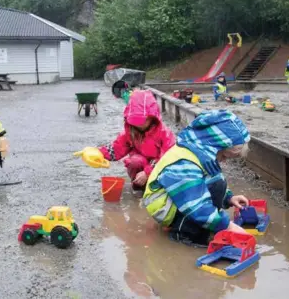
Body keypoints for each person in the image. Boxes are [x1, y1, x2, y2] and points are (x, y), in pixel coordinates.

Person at [143, 110, 251, 246]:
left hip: (181, 196)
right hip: (163, 206)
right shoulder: (185, 162)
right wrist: (227, 226)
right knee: (199, 203)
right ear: (213, 147)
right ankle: (183, 235)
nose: (223, 161)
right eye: (223, 156)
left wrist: (229, 198)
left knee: (218, 183)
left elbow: (212, 179)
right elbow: (195, 205)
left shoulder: (201, 152)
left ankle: (202, 228)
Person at [80, 90, 175, 191]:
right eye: (136, 120)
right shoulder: (130, 132)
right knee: (135, 162)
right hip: (140, 163)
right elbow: (117, 148)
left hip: (158, 165)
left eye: (143, 120)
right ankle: (139, 189)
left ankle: (156, 187)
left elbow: (167, 158)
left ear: (152, 117)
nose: (139, 124)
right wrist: (98, 153)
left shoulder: (164, 133)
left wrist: (148, 172)